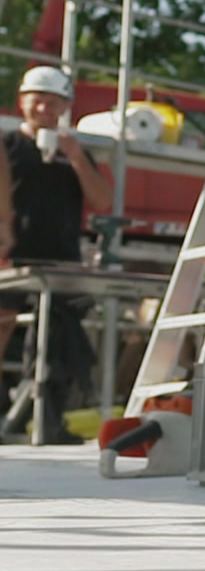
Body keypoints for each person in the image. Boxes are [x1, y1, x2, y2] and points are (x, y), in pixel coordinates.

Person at [0, 65, 113, 442]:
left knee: (58, 339)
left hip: (60, 258)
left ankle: (45, 421)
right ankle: (11, 419)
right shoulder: (9, 146)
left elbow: (102, 201)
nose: (44, 109)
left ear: (64, 106)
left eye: (52, 102)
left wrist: (76, 157)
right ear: (22, 103)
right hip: (13, 256)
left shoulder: (74, 152)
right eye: (37, 100)